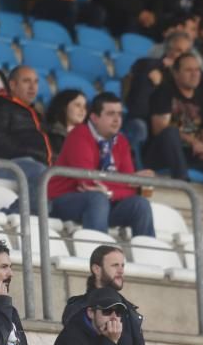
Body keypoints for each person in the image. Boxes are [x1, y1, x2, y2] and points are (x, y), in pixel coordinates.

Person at [48, 92, 157, 238]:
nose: (117, 119)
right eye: (111, 114)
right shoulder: (79, 134)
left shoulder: (122, 141)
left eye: (119, 114)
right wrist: (124, 182)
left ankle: (148, 258)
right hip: (62, 200)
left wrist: (110, 192)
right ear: (94, 118)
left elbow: (133, 188)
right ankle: (99, 255)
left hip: (103, 201)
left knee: (140, 204)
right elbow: (88, 182)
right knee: (97, 198)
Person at [143, 53, 203, 189]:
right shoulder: (164, 92)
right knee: (170, 132)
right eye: (189, 70)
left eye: (197, 70)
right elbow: (159, 128)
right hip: (163, 154)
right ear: (176, 73)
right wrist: (192, 141)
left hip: (190, 155)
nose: (195, 74)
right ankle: (183, 185)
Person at [0, 66, 54, 208]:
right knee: (42, 174)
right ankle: (16, 218)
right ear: (12, 85)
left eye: (36, 82)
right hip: (9, 165)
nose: (32, 87)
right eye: (26, 81)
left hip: (39, 166)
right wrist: (34, 153)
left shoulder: (36, 114)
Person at [44, 89, 87, 154]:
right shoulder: (51, 136)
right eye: (78, 105)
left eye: (85, 106)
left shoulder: (86, 137)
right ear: (64, 107)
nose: (82, 110)